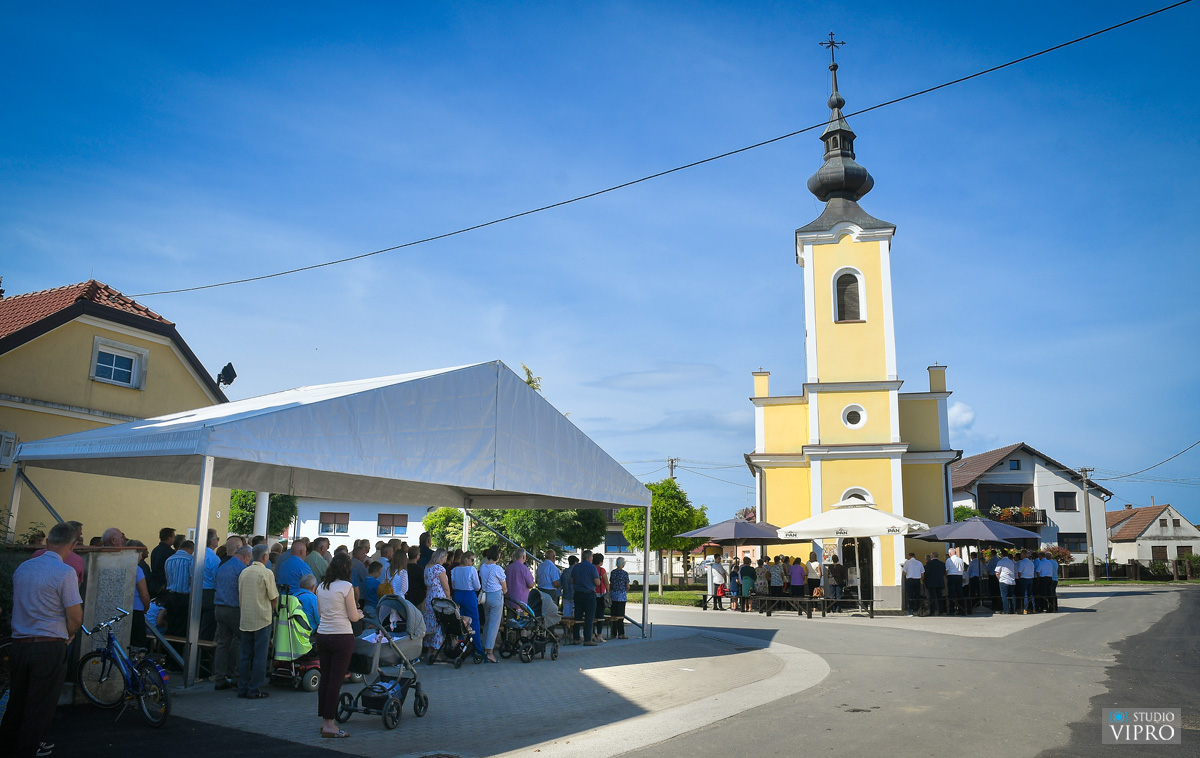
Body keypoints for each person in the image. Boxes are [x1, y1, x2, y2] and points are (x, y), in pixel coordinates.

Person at [0, 522, 83, 758]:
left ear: (48, 542)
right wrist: (69, 634)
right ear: (73, 545)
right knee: (39, 709)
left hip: (19, 644)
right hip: (48, 645)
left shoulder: (23, 568)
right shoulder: (65, 573)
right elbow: (75, 615)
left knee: (16, 704)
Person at [315, 553, 361, 738]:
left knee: (325, 679)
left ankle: (324, 720)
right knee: (336, 681)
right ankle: (330, 724)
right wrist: (360, 614)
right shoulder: (346, 586)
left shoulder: (321, 587)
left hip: (323, 634)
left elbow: (320, 612)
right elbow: (352, 616)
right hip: (341, 635)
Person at [237, 544, 277, 699]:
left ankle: (242, 687)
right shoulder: (266, 573)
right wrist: (271, 610)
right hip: (262, 618)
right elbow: (273, 597)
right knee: (260, 656)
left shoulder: (244, 572)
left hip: (245, 617)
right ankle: (254, 689)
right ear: (265, 557)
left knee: (245, 655)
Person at [213, 545, 252, 690]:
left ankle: (219, 678)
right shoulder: (241, 570)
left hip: (219, 607)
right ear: (246, 556)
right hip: (234, 609)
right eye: (249, 559)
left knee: (222, 643)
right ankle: (236, 676)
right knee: (241, 640)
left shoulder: (223, 566)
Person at [422, 548, 452, 663]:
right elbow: (445, 586)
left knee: (430, 623)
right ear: (441, 557)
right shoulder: (439, 568)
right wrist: (449, 598)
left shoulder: (427, 567)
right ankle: (436, 651)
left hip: (430, 597)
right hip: (439, 598)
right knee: (440, 623)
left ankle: (429, 649)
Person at [479, 547, 507, 663]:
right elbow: (504, 587)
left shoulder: (483, 567)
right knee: (494, 624)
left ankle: (485, 647)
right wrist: (504, 591)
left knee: (487, 623)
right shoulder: (497, 568)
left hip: (485, 596)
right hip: (496, 596)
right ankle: (490, 651)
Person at [450, 551, 483, 655]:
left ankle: (460, 646)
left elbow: (454, 585)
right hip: (469, 595)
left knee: (459, 621)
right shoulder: (471, 569)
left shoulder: (454, 570)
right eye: (472, 560)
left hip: (458, 595)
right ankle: (478, 649)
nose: (473, 562)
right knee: (474, 622)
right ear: (467, 559)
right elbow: (477, 586)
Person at [163, 540, 196, 636]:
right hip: (183, 597)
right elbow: (192, 579)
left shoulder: (169, 559)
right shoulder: (190, 560)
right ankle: (178, 649)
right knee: (182, 627)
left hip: (170, 595)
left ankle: (169, 648)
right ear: (191, 549)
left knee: (171, 625)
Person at [126, 539, 153, 647]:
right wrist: (146, 607)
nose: (141, 557)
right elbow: (144, 594)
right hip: (137, 609)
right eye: (140, 554)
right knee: (139, 644)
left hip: (123, 609)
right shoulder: (137, 569)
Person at [572, 549, 600, 645]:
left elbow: (571, 581)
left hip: (578, 594)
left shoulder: (576, 567)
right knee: (589, 617)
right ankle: (587, 639)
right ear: (589, 557)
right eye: (592, 557)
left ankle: (576, 638)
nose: (592, 559)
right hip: (589, 594)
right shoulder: (592, 568)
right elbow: (597, 582)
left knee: (577, 616)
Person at [200, 529, 221, 640]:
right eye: (217, 538)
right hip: (209, 593)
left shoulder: (196, 555)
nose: (218, 540)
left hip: (196, 592)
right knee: (208, 628)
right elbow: (217, 578)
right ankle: (204, 654)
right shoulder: (214, 558)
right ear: (212, 541)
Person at [609, 557, 630, 638]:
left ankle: (613, 633)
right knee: (621, 615)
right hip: (621, 596)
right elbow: (627, 586)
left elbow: (611, 583)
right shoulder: (625, 573)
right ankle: (621, 633)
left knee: (613, 615)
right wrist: (626, 591)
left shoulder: (612, 572)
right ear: (623, 564)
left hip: (613, 596)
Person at [592, 552, 609, 642]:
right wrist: (608, 591)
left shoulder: (590, 568)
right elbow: (606, 582)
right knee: (600, 615)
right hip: (601, 595)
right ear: (601, 562)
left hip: (591, 594)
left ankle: (592, 634)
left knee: (592, 615)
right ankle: (599, 635)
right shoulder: (601, 570)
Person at [946, 548, 967, 616]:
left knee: (951, 593)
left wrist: (946, 576)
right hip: (959, 576)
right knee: (960, 593)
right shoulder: (960, 560)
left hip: (952, 576)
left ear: (950, 553)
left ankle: (952, 610)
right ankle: (962, 609)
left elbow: (947, 570)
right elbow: (963, 569)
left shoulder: (949, 560)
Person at [924, 552, 946, 616]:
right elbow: (943, 573)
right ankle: (941, 611)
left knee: (932, 598)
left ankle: (932, 611)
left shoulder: (929, 564)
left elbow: (926, 574)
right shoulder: (942, 564)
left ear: (932, 556)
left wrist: (926, 581)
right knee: (940, 597)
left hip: (931, 583)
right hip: (940, 582)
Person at [902, 552, 924, 616]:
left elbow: (904, 572)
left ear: (909, 556)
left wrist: (908, 573)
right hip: (917, 580)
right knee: (917, 595)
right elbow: (922, 574)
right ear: (914, 556)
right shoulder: (919, 563)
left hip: (910, 580)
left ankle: (911, 611)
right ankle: (918, 610)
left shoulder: (907, 562)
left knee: (910, 595)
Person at [1016, 550, 1036, 614]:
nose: (1021, 556)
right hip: (1031, 578)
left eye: (1021, 555)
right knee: (1030, 593)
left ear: (1023, 555)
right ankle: (1033, 608)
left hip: (1024, 578)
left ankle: (1025, 608)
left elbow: (1019, 572)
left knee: (1025, 594)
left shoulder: (1022, 562)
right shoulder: (1031, 562)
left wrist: (1019, 577)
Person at [561, 555, 579, 619]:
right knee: (574, 613)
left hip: (565, 594)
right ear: (575, 562)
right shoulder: (577, 571)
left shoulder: (565, 571)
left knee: (566, 613)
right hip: (574, 595)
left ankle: (567, 627)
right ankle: (572, 628)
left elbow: (561, 584)